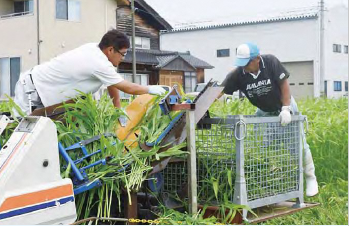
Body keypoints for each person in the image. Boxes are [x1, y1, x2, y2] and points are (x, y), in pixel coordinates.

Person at [221, 43, 318, 197]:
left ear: (257, 59)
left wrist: (286, 108)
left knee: (297, 145)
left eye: (246, 63)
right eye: (241, 64)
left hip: (284, 106)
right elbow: (219, 90)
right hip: (264, 112)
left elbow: (284, 84)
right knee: (261, 147)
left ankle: (310, 177)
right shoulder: (238, 74)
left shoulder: (271, 62)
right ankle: (268, 179)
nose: (243, 67)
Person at [13, 29, 165, 115]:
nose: (123, 58)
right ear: (111, 50)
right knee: (20, 140)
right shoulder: (98, 63)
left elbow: (112, 83)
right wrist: (151, 89)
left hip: (40, 90)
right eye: (123, 54)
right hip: (32, 92)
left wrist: (118, 110)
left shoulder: (96, 50)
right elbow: (128, 88)